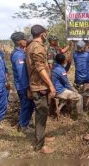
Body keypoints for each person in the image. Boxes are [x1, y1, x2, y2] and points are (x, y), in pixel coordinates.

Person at [26, 25, 56, 154]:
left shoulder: (31, 45)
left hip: (37, 85)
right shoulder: (37, 47)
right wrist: (50, 85)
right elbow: (40, 68)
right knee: (41, 114)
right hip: (39, 86)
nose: (46, 36)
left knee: (41, 115)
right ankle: (40, 146)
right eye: (46, 34)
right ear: (43, 34)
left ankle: (42, 137)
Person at [10, 32, 34, 134]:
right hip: (23, 86)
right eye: (24, 39)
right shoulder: (18, 55)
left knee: (29, 104)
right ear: (20, 41)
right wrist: (28, 88)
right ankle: (24, 126)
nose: (26, 41)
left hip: (25, 85)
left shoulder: (21, 52)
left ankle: (26, 122)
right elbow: (22, 74)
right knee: (26, 104)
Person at [52, 53, 84, 118]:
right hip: (60, 91)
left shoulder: (55, 66)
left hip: (56, 89)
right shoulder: (60, 70)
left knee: (72, 91)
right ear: (63, 61)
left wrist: (68, 64)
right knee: (79, 97)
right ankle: (80, 117)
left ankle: (61, 109)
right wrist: (75, 90)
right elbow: (66, 83)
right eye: (65, 59)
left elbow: (64, 71)